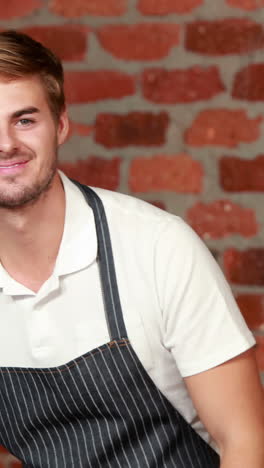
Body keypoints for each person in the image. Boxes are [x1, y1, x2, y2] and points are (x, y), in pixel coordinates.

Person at [0, 30, 263, 468]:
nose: (6, 143)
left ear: (61, 126)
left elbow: (245, 440)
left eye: (24, 120)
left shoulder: (158, 247)